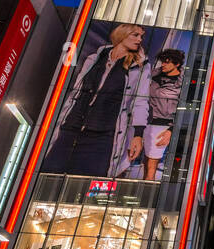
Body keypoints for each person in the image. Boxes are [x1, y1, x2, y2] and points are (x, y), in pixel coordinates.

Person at [43, 23, 149, 177]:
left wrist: (138, 135)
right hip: (71, 128)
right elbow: (76, 91)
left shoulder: (140, 66)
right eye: (135, 35)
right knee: (49, 174)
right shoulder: (94, 58)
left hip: (102, 136)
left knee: (85, 182)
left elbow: (140, 101)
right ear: (121, 35)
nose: (140, 40)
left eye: (142, 37)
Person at [141, 47, 185, 182]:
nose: (163, 65)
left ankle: (146, 196)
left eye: (167, 62)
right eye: (162, 62)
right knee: (141, 161)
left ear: (177, 64)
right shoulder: (152, 75)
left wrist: (172, 130)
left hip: (162, 125)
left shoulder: (183, 82)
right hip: (143, 120)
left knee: (151, 166)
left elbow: (184, 110)